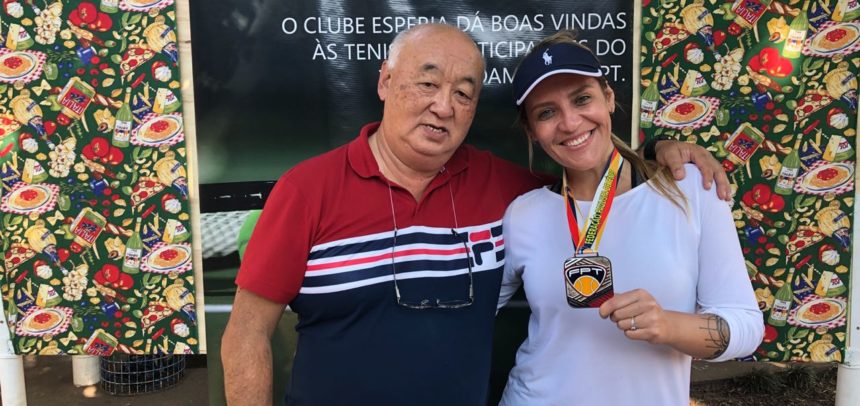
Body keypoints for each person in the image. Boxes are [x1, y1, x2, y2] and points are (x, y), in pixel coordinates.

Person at [221, 23, 730, 406]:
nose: (444, 106)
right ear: (385, 81)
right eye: (427, 84)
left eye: (463, 93)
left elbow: (587, 171)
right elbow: (245, 333)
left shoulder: (508, 191)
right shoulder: (306, 189)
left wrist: (660, 151)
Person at [497, 31, 764, 406]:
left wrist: (668, 324)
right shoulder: (523, 214)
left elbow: (747, 327)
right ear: (532, 131)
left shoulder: (690, 189)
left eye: (582, 99)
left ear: (608, 98)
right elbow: (470, 315)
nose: (570, 123)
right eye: (546, 112)